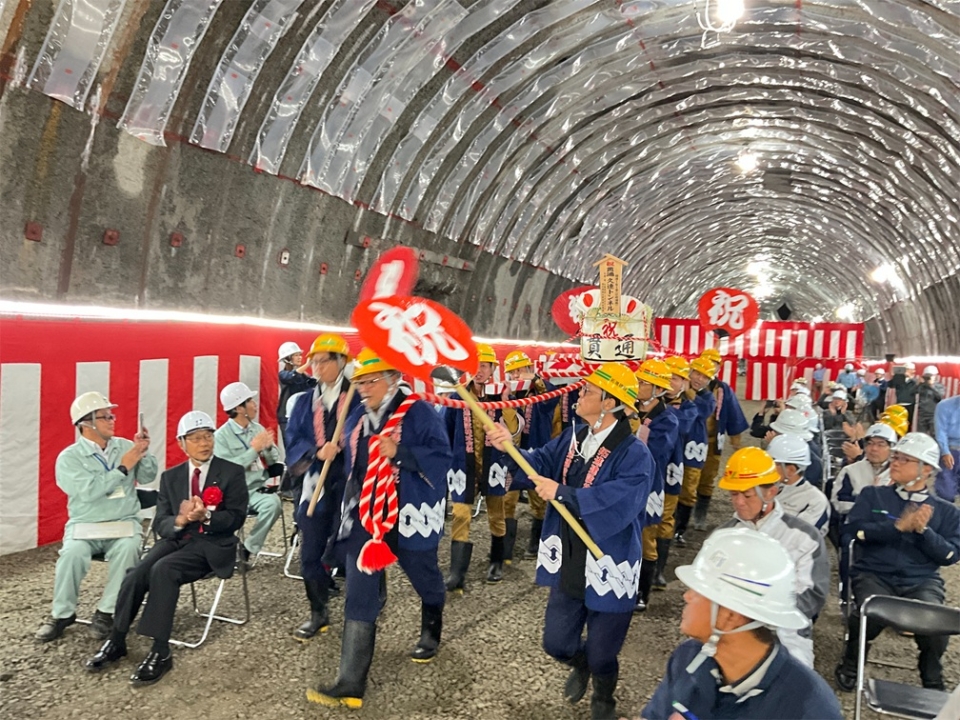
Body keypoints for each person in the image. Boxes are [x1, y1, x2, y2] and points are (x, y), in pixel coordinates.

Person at [488, 361, 653, 720]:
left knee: (603, 652)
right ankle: (581, 663)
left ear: (609, 403)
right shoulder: (573, 437)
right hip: (570, 552)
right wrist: (509, 448)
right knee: (556, 643)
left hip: (609, 557)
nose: (580, 394)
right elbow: (540, 462)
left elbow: (621, 500)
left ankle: (604, 697)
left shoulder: (635, 453)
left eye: (588, 391)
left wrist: (563, 493)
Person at [307, 349, 452, 709]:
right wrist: (332, 451)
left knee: (424, 576)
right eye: (360, 382)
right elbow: (352, 465)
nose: (364, 389)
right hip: (368, 514)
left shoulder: (418, 411)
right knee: (359, 589)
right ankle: (350, 682)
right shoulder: (356, 415)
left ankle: (431, 625)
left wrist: (399, 452)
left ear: (393, 379)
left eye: (371, 381)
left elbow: (441, 458)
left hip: (409, 512)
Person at [86, 411, 248, 685]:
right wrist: (180, 520)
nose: (204, 443)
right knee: (137, 572)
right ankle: (117, 639)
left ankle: (161, 651)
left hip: (212, 543)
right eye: (195, 438)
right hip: (177, 539)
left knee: (164, 570)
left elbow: (236, 518)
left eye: (208, 436)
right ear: (181, 443)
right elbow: (161, 522)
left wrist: (207, 516)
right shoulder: (171, 477)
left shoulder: (231, 472)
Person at [639, 529, 843, 720]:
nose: (687, 596)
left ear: (729, 616)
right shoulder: (688, 657)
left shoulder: (808, 707)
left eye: (698, 592)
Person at [835, 432, 960, 692]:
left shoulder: (946, 511)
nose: (896, 463)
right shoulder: (873, 495)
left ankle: (931, 675)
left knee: (936, 622)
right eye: (896, 457)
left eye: (905, 459)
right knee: (869, 612)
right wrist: (896, 528)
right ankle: (852, 661)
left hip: (921, 580)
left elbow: (950, 556)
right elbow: (851, 532)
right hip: (874, 574)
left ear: (926, 469)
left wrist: (924, 532)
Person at [35, 392, 157, 642]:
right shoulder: (69, 458)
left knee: (130, 548)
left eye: (111, 416)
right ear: (86, 423)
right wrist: (122, 468)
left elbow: (147, 477)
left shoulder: (125, 446)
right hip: (85, 525)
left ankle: (106, 612)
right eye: (105, 417)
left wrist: (143, 452)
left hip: (123, 522)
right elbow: (89, 492)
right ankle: (62, 614)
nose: (112, 421)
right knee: (71, 554)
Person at [716, 447, 829, 668]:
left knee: (791, 679)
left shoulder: (804, 537)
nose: (739, 502)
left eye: (747, 495)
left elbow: (812, 597)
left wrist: (757, 608)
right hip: (726, 631)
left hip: (787, 635)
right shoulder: (722, 536)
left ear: (771, 492)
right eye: (734, 494)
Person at [284, 333, 360, 641]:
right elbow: (293, 438)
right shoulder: (304, 402)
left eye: (323, 361)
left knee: (356, 545)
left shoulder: (358, 397)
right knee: (310, 550)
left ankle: (366, 605)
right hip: (316, 482)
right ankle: (318, 612)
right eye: (313, 362)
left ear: (341, 362)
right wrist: (317, 452)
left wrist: (347, 445)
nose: (316, 367)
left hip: (351, 483)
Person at [443, 343, 519, 590]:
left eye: (484, 366)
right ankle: (457, 573)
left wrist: (507, 404)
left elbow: (514, 431)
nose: (479, 371)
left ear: (493, 369)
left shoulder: (501, 398)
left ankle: (496, 561)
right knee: (460, 514)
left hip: (494, 464)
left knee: (497, 514)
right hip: (463, 466)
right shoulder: (457, 397)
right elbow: (446, 431)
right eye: (475, 366)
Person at [630, 359, 679, 612]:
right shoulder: (630, 408)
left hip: (650, 484)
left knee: (646, 538)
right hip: (627, 482)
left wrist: (633, 427)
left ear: (658, 389)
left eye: (643, 382)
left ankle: (642, 591)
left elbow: (656, 452)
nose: (638, 385)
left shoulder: (667, 419)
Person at [214, 381, 280, 564]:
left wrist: (268, 448)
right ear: (238, 408)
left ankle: (248, 548)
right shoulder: (220, 437)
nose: (254, 404)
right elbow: (228, 470)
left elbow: (274, 461)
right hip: (232, 494)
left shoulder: (257, 429)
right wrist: (253, 450)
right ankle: (223, 551)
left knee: (274, 504)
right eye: (250, 401)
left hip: (256, 490)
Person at [502, 349, 557, 565]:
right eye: (512, 372)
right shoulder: (508, 395)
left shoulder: (542, 392)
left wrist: (535, 380)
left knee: (539, 500)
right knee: (507, 499)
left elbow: (552, 399)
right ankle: (505, 549)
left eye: (520, 370)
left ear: (529, 369)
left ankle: (536, 543)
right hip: (513, 453)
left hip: (537, 452)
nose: (517, 376)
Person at [652, 356, 696, 591]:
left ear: (684, 383)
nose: (670, 382)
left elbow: (683, 426)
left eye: (676, 378)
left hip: (671, 469)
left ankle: (658, 569)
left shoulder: (688, 407)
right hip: (651, 466)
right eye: (667, 377)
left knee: (665, 516)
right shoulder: (648, 403)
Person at [695, 348, 748, 531]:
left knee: (707, 478)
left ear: (719, 367)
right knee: (686, 478)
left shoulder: (722, 389)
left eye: (714, 363)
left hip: (711, 441)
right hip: (688, 442)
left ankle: (700, 515)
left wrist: (736, 441)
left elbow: (734, 414)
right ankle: (681, 517)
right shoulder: (689, 386)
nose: (710, 366)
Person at [672, 357, 717, 546]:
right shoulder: (675, 392)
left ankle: (679, 530)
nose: (699, 379)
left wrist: (687, 390)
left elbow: (703, 411)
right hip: (675, 445)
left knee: (688, 489)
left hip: (694, 448)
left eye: (705, 377)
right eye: (697, 373)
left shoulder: (708, 398)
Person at [766, 434, 830, 536]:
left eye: (774, 464)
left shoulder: (815, 500)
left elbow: (798, 537)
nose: (768, 468)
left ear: (790, 470)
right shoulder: (768, 487)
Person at [277, 341, 316, 445]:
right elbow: (292, 376)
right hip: (287, 417)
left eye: (299, 355)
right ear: (287, 358)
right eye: (296, 355)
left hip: (302, 415)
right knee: (291, 445)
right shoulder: (283, 374)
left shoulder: (303, 375)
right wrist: (307, 365)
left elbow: (313, 385)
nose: (299, 357)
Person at [934, 395, 960, 503]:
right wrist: (945, 452)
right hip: (951, 451)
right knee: (946, 493)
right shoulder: (944, 405)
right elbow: (940, 431)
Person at [916, 365, 946, 435]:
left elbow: (939, 397)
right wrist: (918, 384)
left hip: (933, 414)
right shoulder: (922, 386)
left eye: (930, 376)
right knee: (921, 435)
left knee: (934, 434)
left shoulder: (939, 386)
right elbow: (912, 392)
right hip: (922, 414)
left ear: (935, 376)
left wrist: (931, 386)